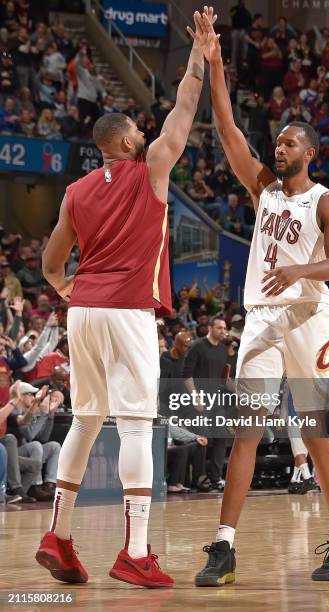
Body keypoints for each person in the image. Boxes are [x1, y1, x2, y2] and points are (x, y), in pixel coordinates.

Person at [35, 9, 213, 589]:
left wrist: (68, 290)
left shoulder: (75, 192)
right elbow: (185, 108)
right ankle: (135, 552)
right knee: (136, 426)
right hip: (128, 310)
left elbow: (49, 264)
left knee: (84, 422)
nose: (147, 132)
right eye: (140, 129)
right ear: (131, 143)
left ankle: (58, 539)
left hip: (83, 309)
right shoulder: (152, 168)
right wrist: (199, 56)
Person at [191, 11, 329, 585]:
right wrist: (215, 63)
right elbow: (227, 129)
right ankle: (224, 545)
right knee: (248, 427)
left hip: (310, 317)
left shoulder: (328, 202)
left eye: (289, 142)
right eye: (278, 142)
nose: (279, 147)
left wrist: (298, 271)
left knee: (315, 433)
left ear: (309, 151)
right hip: (263, 319)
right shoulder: (263, 189)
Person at [182, 316, 229, 491]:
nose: (223, 331)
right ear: (210, 328)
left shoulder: (223, 349)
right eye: (219, 328)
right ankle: (199, 479)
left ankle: (216, 478)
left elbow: (224, 378)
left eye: (224, 328)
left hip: (216, 400)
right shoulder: (197, 347)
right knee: (202, 439)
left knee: (221, 436)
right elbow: (187, 374)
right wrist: (194, 397)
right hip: (200, 398)